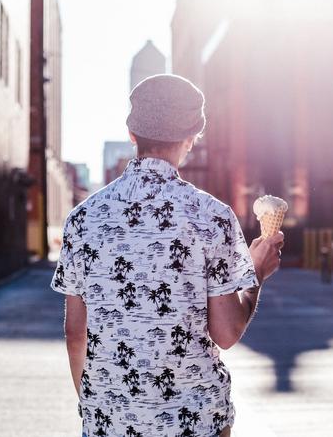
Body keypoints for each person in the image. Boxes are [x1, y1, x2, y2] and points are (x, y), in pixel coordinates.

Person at [50, 74, 284, 437]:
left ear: (132, 136)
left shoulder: (83, 218)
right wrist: (255, 273)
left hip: (108, 422)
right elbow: (226, 332)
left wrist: (97, 407)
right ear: (191, 138)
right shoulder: (212, 216)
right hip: (195, 420)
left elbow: (74, 332)